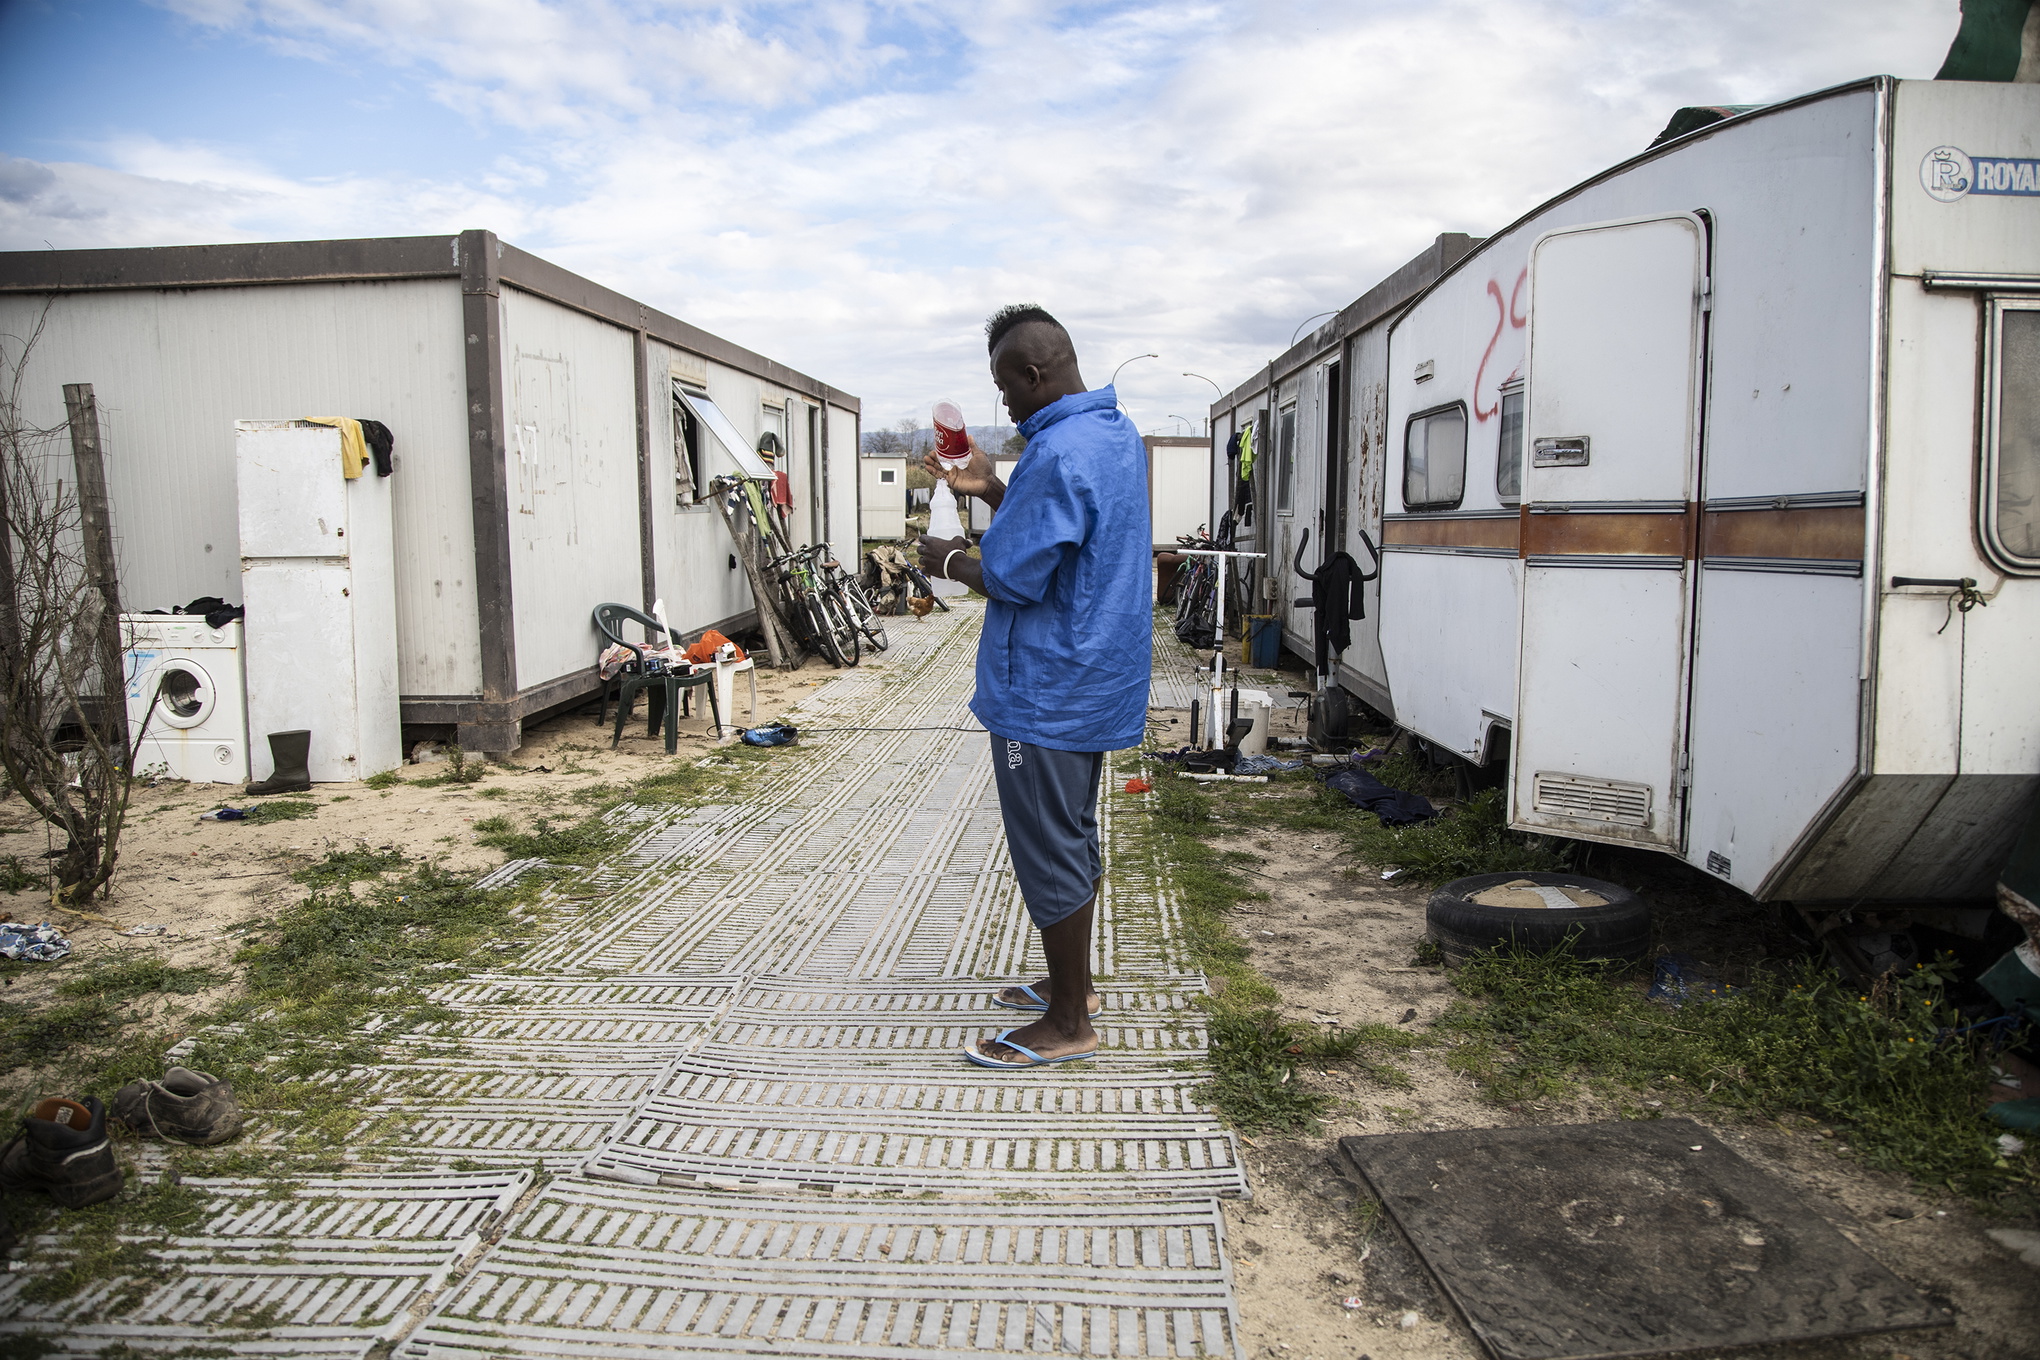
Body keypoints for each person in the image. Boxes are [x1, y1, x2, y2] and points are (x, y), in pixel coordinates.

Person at [919, 304, 1152, 1068]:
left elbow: (1014, 575)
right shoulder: (1111, 434)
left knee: (1048, 846)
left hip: (1045, 688)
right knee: (1074, 831)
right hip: (1093, 678)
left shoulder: (1055, 454)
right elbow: (1061, 530)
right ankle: (1074, 988)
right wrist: (990, 488)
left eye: (1005, 387)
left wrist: (946, 560)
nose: (1004, 404)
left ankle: (1066, 1023)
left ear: (1034, 373)